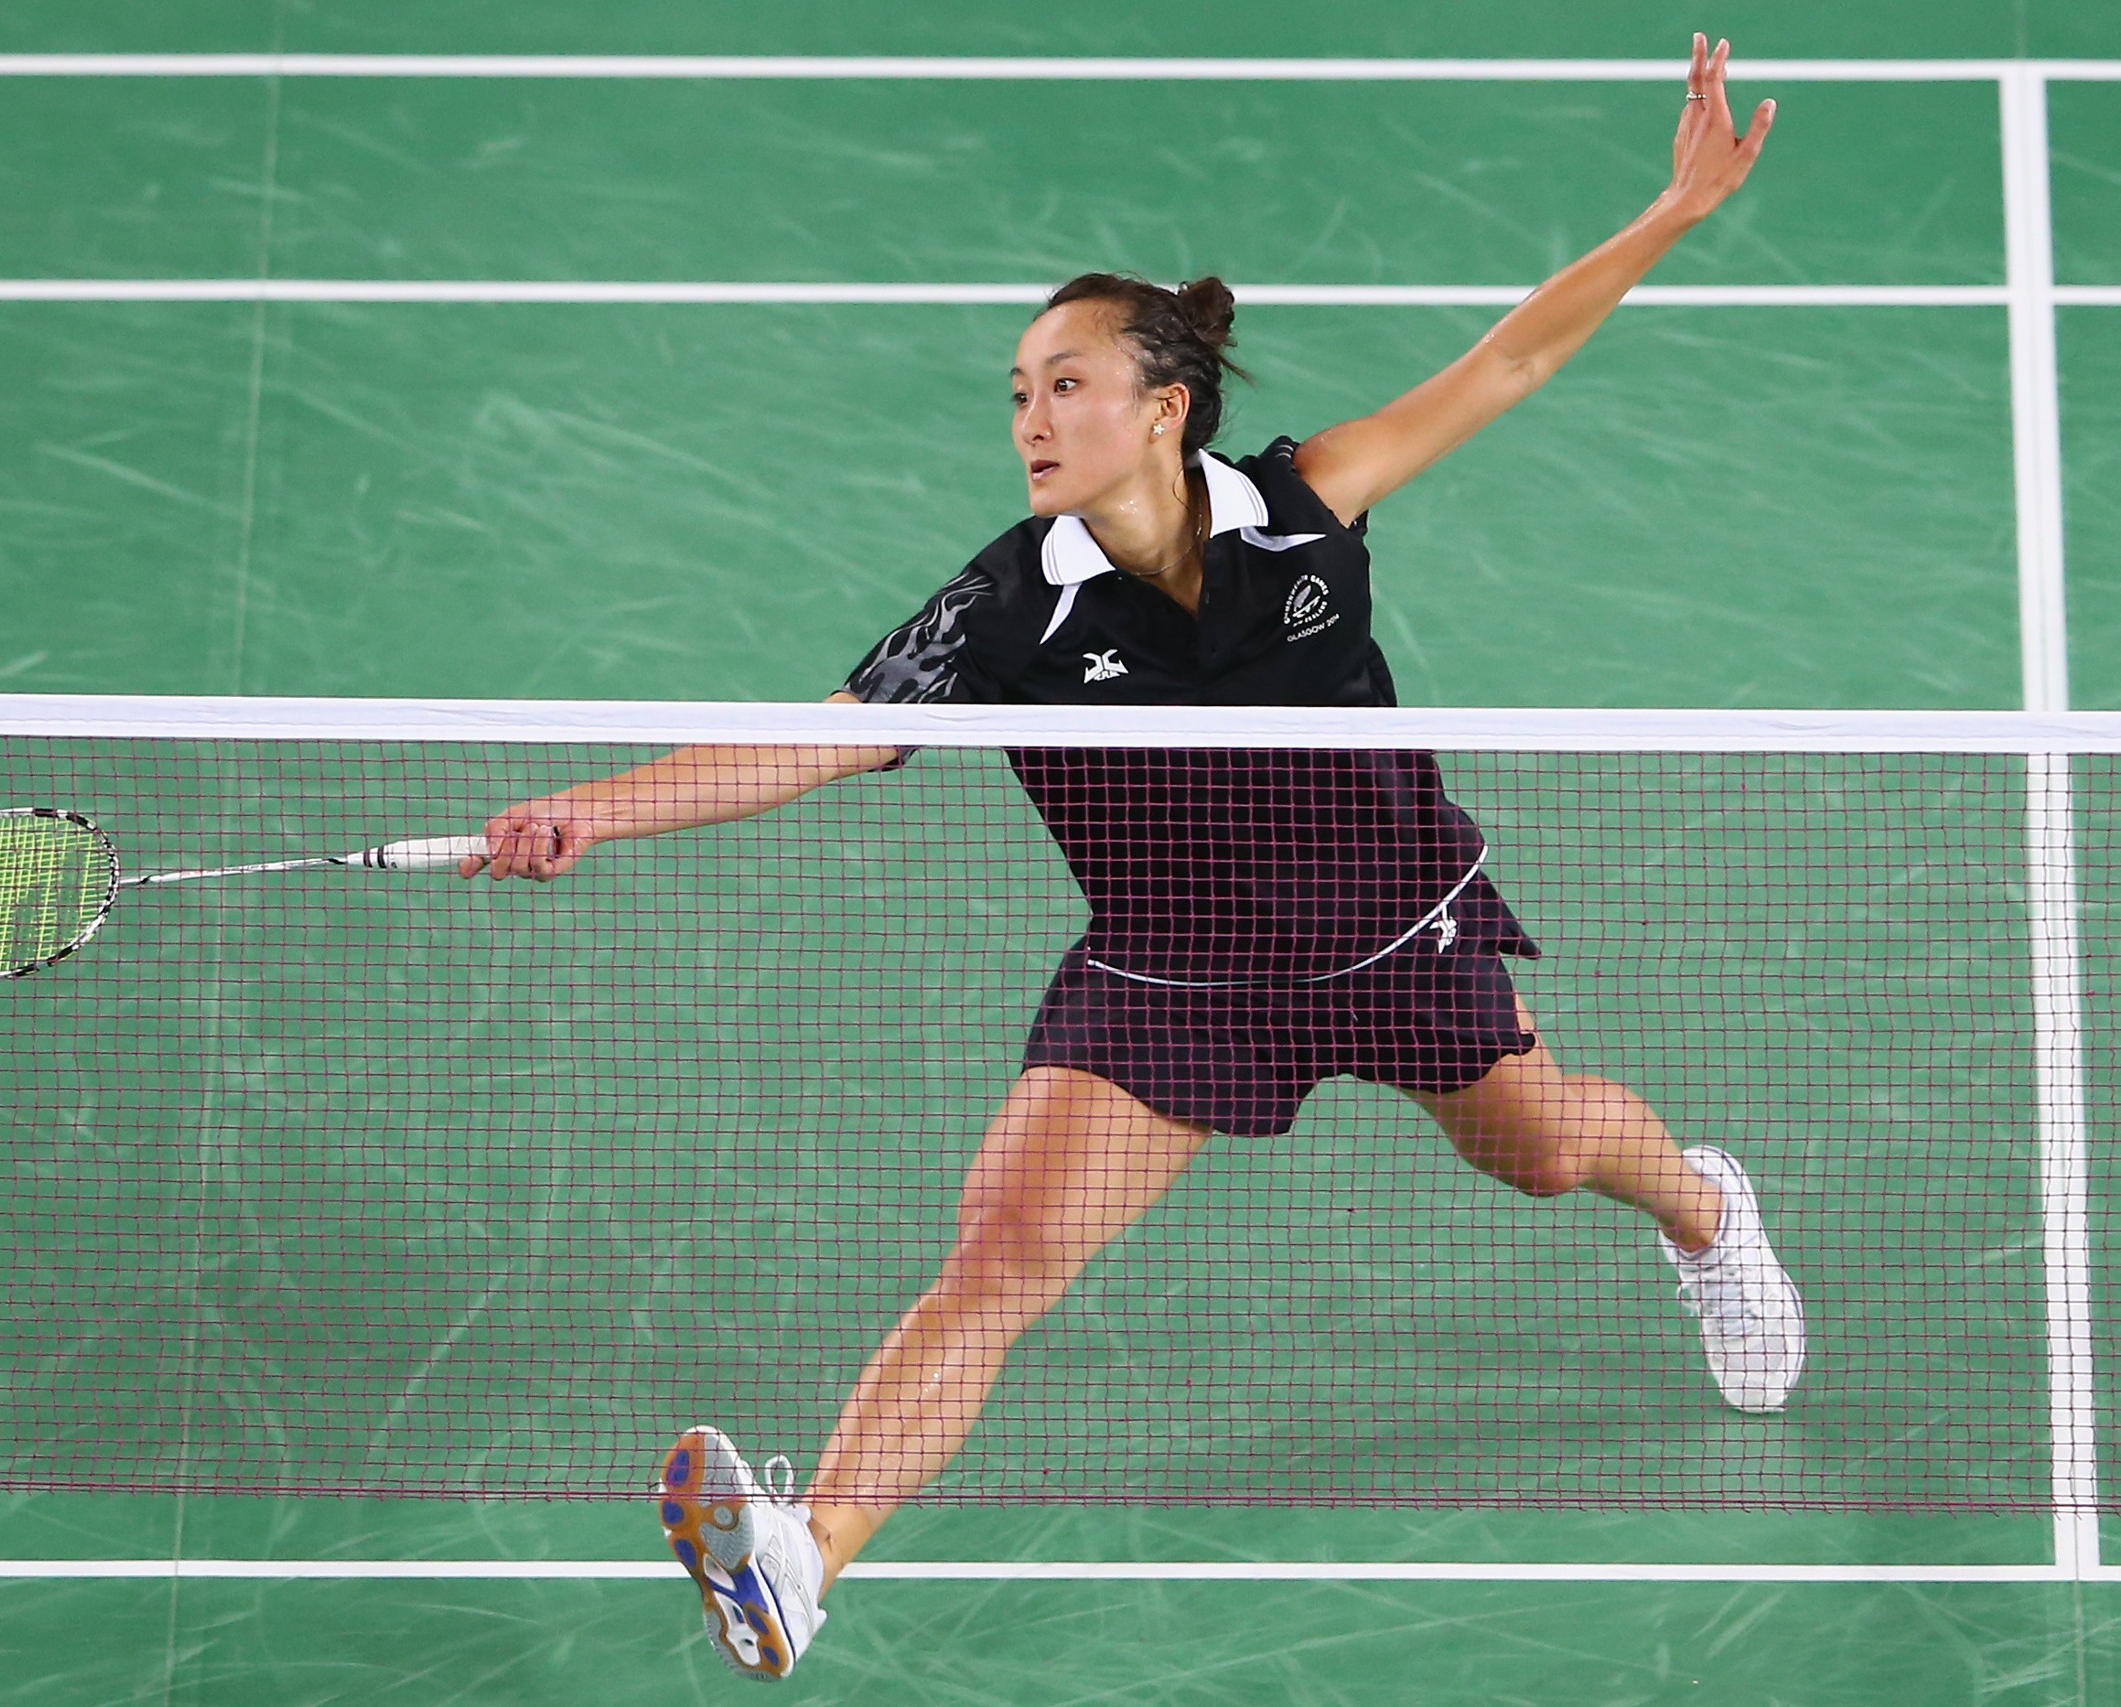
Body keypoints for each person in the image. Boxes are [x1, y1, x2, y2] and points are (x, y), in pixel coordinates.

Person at [462, 34, 1798, 1683]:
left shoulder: (1308, 503)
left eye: (1065, 384)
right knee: (1000, 1256)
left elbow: (1511, 361)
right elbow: (820, 739)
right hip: (1173, 971)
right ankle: (806, 1557)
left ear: (1163, 406)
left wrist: (1667, 215)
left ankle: (1707, 1216)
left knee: (1542, 1151)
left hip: (1391, 935)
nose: (1031, 418)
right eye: (1019, 393)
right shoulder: (1003, 612)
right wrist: (598, 809)